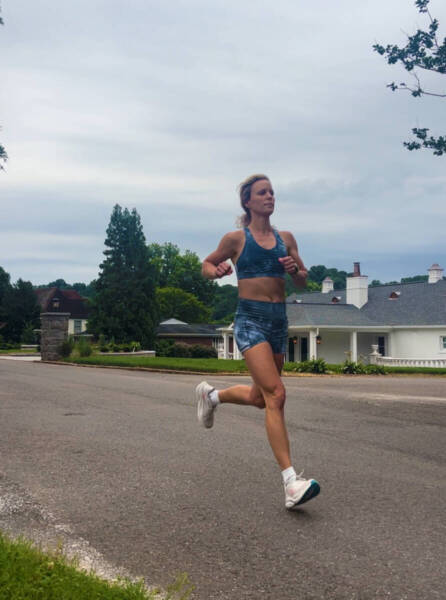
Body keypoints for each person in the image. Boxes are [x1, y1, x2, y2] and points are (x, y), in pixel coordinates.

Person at [196, 174, 320, 510]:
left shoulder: (286, 238)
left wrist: (296, 269)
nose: (270, 196)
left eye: (272, 192)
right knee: (277, 394)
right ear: (248, 202)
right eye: (262, 193)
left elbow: (303, 281)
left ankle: (212, 396)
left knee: (260, 398)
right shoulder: (236, 239)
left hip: (278, 321)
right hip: (249, 320)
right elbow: (206, 264)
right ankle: (291, 483)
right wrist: (217, 270)